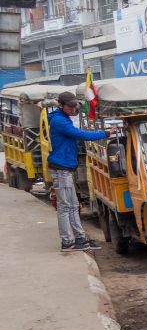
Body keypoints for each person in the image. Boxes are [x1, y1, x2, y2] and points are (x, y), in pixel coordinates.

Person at [48, 91, 107, 252]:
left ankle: (80, 238)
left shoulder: (63, 118)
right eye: (70, 107)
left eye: (75, 106)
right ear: (61, 106)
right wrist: (105, 133)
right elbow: (80, 134)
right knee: (65, 207)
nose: (74, 109)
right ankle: (67, 242)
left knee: (73, 205)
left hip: (65, 167)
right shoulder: (60, 121)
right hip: (61, 169)